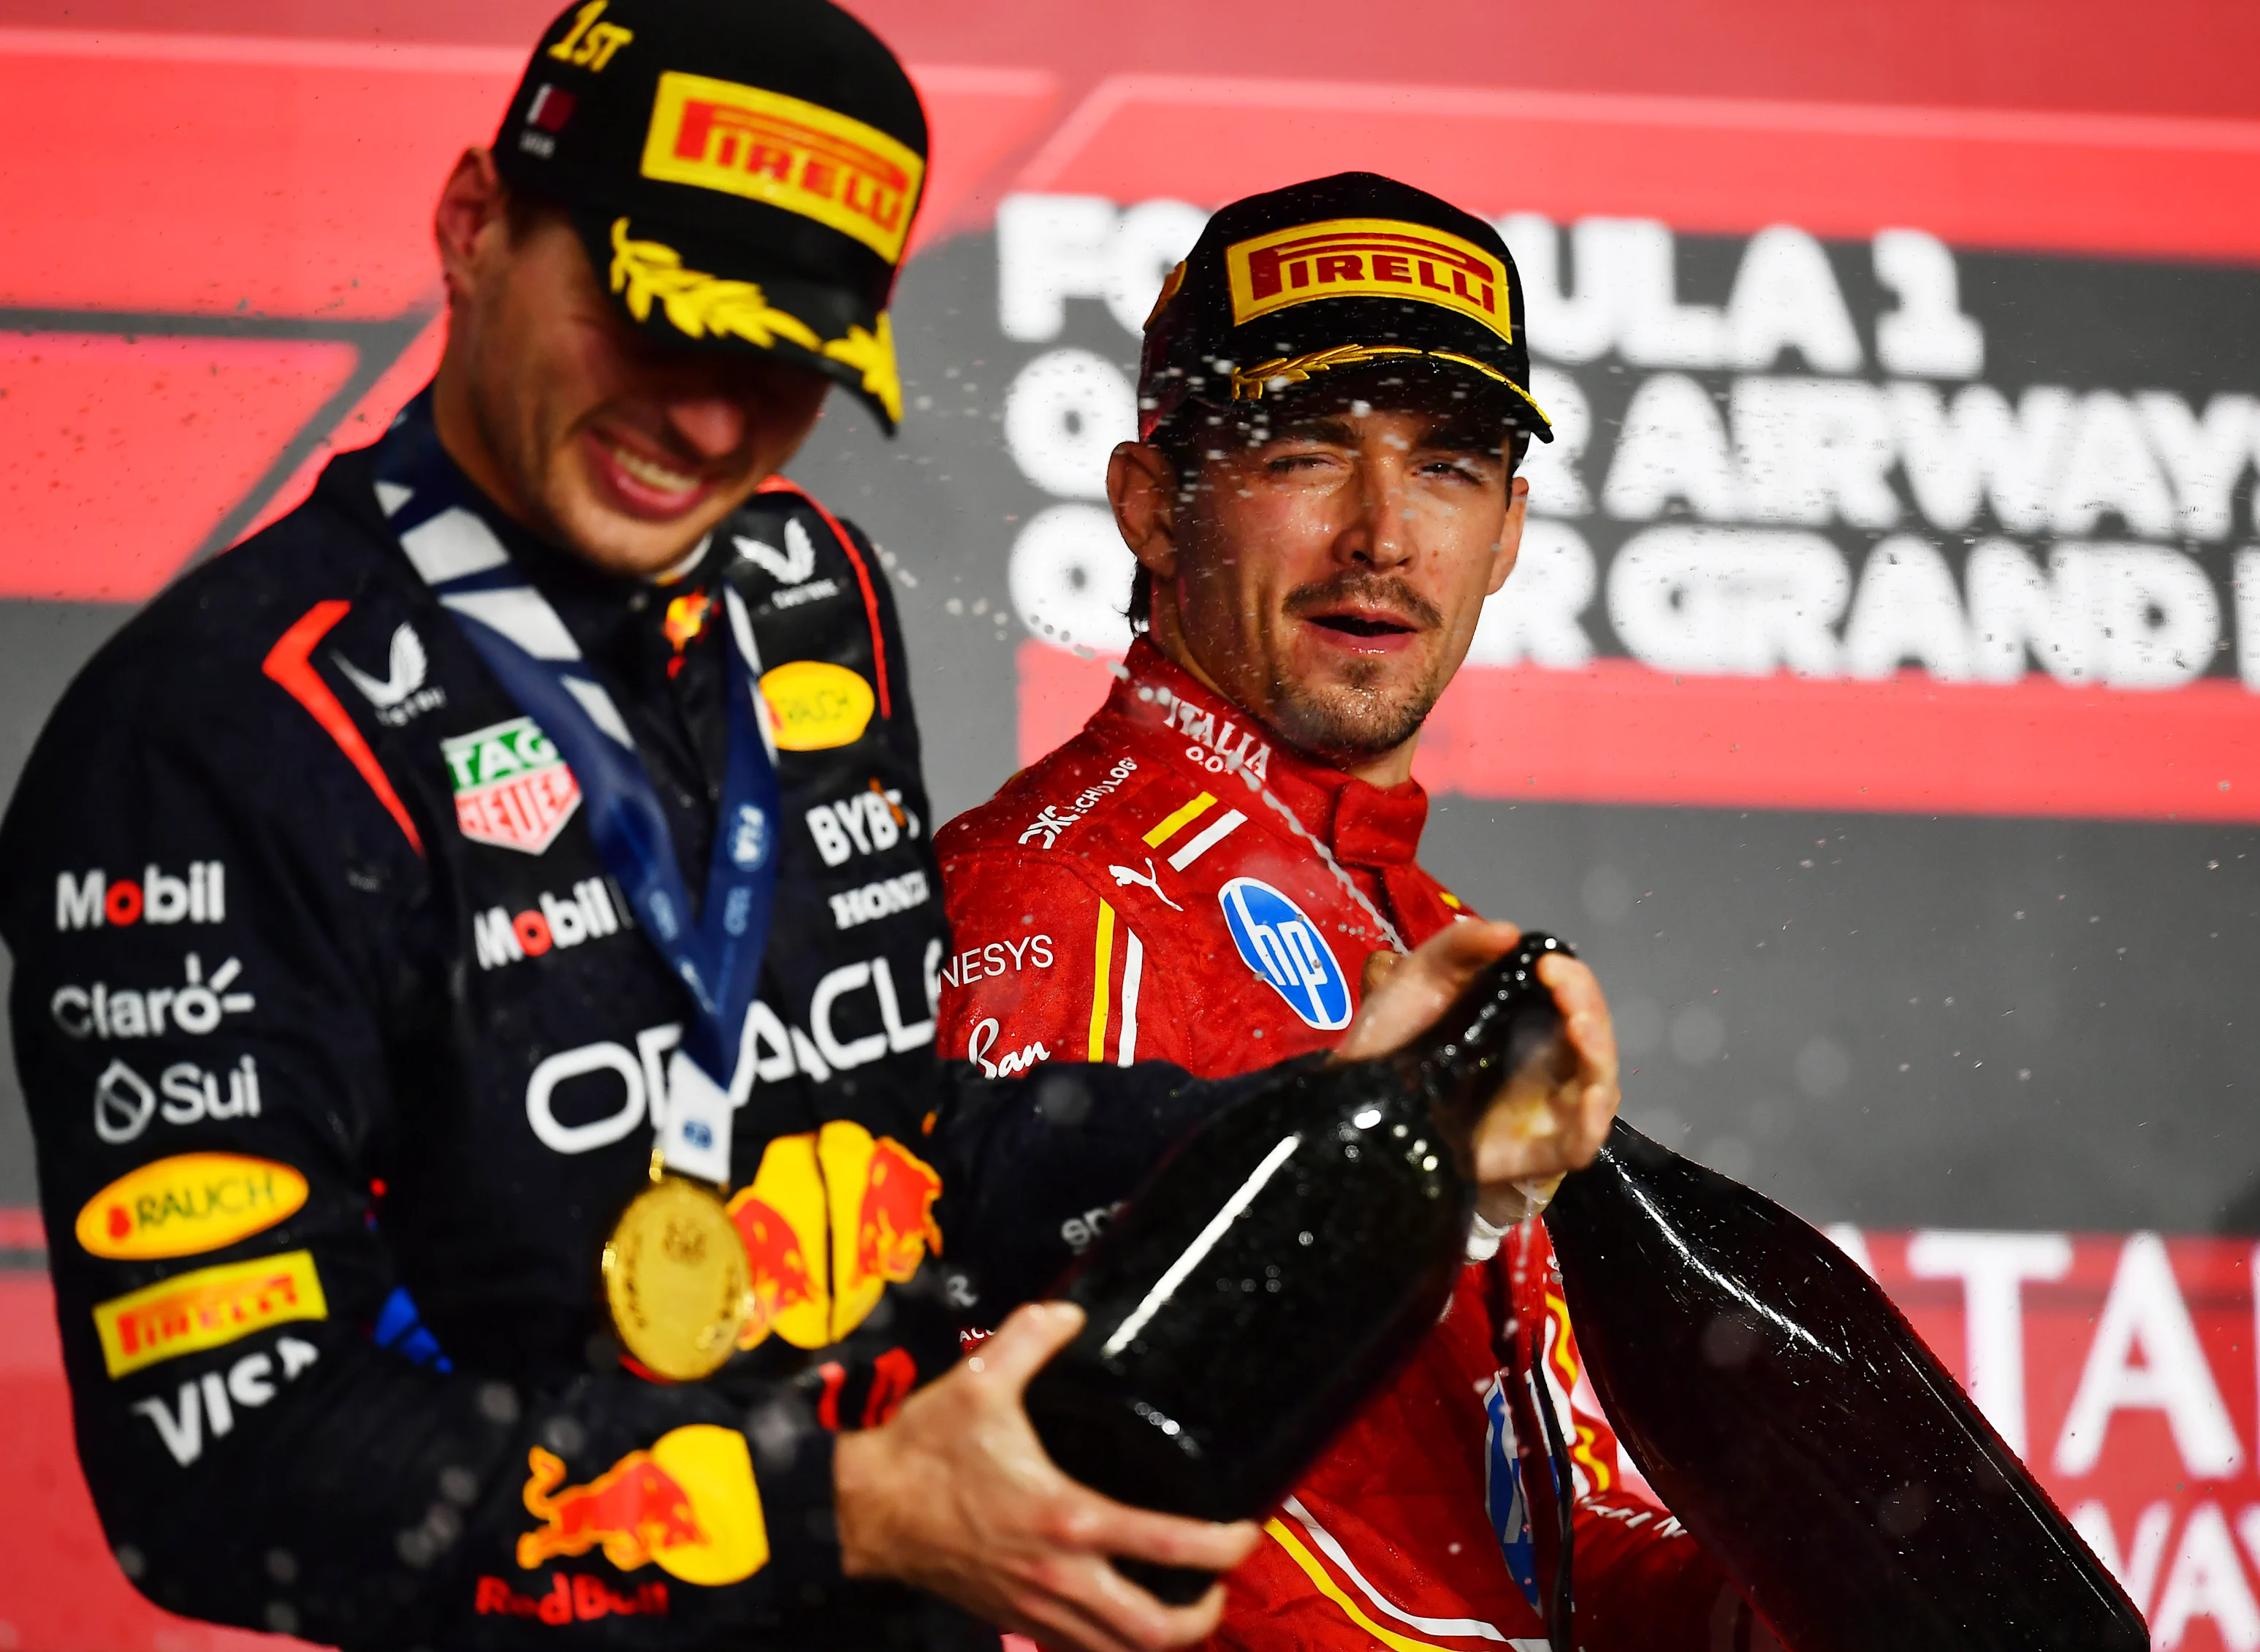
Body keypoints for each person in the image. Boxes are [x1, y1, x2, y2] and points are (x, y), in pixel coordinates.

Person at [0, 19, 1621, 1652]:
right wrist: (848, 1501)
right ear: (473, 223)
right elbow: (224, 1470)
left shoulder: (799, 597)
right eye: (654, 325)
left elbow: (898, 1135)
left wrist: (1352, 1109)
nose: (709, 426)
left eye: (780, 361)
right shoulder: (206, 738)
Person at [937, 174, 1757, 1651]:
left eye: (1447, 466)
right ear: (1150, 506)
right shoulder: (1067, 892)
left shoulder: (1427, 929)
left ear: (1507, 530)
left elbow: (1530, 1547)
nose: (1381, 533)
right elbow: (1019, 1527)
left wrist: (1752, 1612)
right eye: (1307, 452)